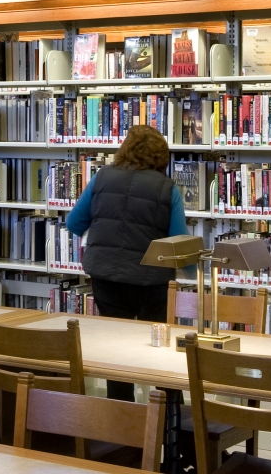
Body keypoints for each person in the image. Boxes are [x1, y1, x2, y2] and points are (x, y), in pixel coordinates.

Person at [64, 124, 187, 399]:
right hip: (151, 282)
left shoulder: (102, 178)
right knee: (161, 351)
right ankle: (170, 416)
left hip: (107, 278)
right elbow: (178, 240)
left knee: (116, 351)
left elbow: (74, 223)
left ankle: (122, 418)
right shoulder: (167, 188)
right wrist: (190, 270)